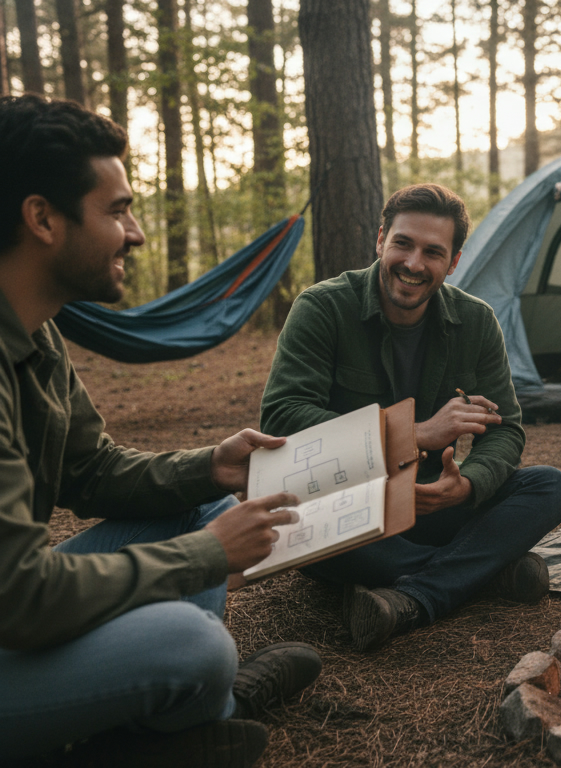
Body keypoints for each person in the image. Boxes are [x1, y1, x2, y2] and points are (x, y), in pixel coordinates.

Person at [0, 95, 321, 767]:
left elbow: (89, 470)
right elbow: (20, 598)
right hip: (13, 610)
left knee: (205, 506)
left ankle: (177, 715)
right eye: (117, 210)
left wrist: (211, 467)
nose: (137, 233)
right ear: (42, 219)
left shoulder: (37, 330)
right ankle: (187, 713)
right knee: (193, 643)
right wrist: (205, 555)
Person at [260, 183, 561, 653]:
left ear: (454, 262)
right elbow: (282, 417)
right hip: (345, 503)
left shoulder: (476, 322)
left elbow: (504, 428)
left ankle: (415, 591)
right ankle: (481, 573)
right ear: (380, 239)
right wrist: (414, 433)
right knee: (293, 527)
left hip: (429, 503)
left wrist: (467, 485)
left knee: (548, 486)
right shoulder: (323, 307)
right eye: (403, 243)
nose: (413, 263)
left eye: (433, 252)